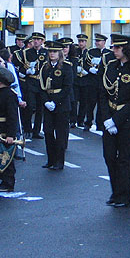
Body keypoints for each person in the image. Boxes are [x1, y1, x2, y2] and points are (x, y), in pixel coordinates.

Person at [100, 34, 130, 208]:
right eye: (113, 47)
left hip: (127, 120)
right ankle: (115, 191)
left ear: (127, 49)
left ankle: (125, 195)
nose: (114, 50)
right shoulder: (110, 67)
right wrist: (106, 119)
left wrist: (116, 121)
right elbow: (103, 93)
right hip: (109, 117)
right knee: (109, 156)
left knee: (124, 158)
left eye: (118, 48)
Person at [39, 40, 73, 170]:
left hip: (61, 104)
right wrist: (46, 102)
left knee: (60, 134)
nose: (52, 54)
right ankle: (50, 159)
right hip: (48, 102)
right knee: (48, 132)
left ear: (59, 53)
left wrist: (55, 102)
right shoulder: (45, 67)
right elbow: (41, 87)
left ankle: (59, 161)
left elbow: (67, 87)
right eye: (50, 51)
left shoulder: (66, 67)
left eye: (54, 52)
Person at [80, 33, 108, 131]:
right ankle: (88, 122)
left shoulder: (108, 53)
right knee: (90, 104)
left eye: (99, 41)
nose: (97, 43)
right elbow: (85, 63)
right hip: (91, 81)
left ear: (104, 42)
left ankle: (100, 123)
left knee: (101, 104)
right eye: (96, 41)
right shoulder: (91, 52)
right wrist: (89, 69)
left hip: (102, 82)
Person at [22, 32, 47, 139]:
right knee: (30, 106)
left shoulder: (46, 52)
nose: (35, 41)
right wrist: (26, 71)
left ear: (42, 41)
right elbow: (21, 65)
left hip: (41, 83)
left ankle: (36, 131)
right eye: (34, 39)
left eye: (38, 39)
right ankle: (27, 128)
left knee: (40, 108)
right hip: (31, 82)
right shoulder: (26, 52)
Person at [74, 33, 90, 129]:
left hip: (85, 79)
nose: (81, 43)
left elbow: (91, 63)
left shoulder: (89, 52)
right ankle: (73, 120)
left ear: (86, 42)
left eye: (82, 41)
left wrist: (87, 70)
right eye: (79, 41)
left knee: (84, 101)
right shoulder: (75, 52)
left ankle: (81, 120)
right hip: (76, 79)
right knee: (74, 101)